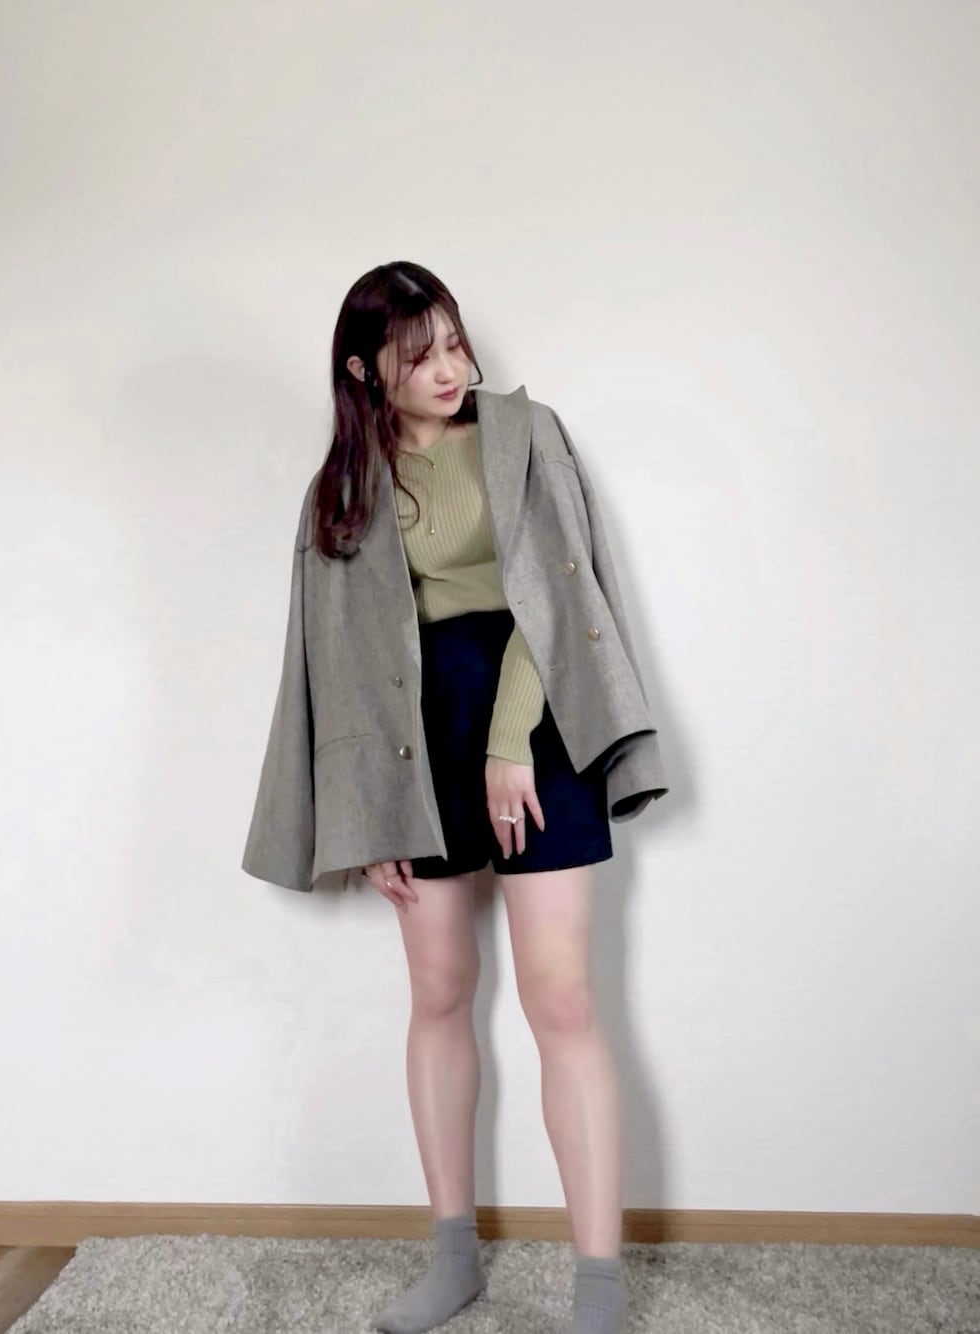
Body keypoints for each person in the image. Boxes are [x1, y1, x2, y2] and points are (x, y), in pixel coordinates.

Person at [250, 260, 667, 1334]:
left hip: (539, 718)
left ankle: (597, 1289)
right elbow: (336, 658)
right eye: (418, 354)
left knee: (562, 999)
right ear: (364, 372)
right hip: (412, 741)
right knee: (437, 991)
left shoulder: (525, 433)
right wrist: (365, 807)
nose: (449, 367)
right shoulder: (343, 488)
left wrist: (510, 739)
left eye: (452, 341)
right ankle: (453, 1259)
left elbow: (557, 586)